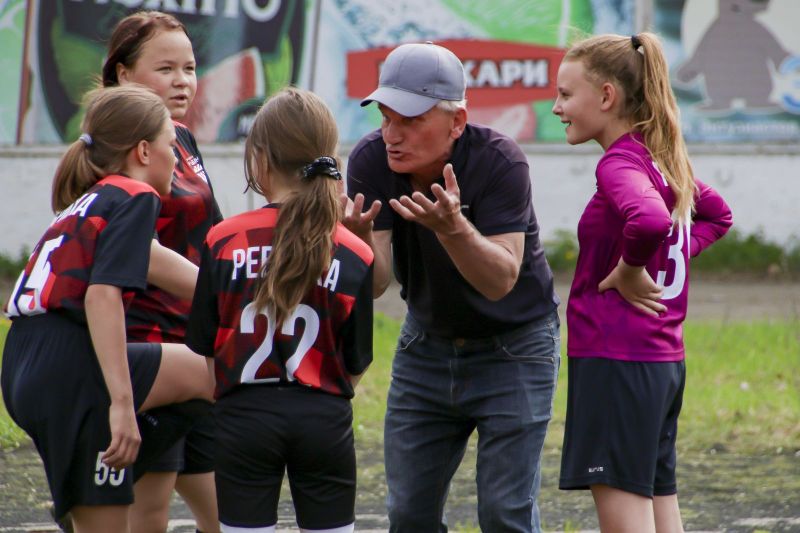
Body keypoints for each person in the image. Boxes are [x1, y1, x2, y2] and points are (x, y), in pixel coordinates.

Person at [345, 42, 561, 533]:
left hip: (516, 347)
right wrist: (358, 244)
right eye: (386, 117)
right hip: (428, 344)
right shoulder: (371, 160)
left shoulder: (500, 161)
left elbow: (501, 280)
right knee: (408, 515)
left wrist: (453, 229)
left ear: (457, 121)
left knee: (504, 514)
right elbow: (377, 285)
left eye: (410, 120)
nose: (392, 135)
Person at [1, 86, 215, 533]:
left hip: (24, 364)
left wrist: (250, 295)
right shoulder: (136, 195)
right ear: (143, 151)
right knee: (220, 373)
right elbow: (101, 295)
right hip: (69, 366)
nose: (177, 160)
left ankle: (106, 467)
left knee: (211, 374)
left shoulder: (97, 199)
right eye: (170, 146)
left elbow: (169, 269)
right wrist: (121, 403)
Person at [551, 32, 733, 532]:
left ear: (606, 96)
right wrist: (657, 255)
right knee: (660, 511)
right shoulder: (660, 161)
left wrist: (633, 267)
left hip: (618, 363)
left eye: (565, 95)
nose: (557, 108)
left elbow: (650, 220)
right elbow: (718, 217)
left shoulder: (621, 163)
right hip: (660, 365)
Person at [185, 87, 374, 533]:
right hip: (324, 420)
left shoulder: (223, 240)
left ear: (261, 160)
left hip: (243, 418)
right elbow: (357, 361)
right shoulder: (355, 252)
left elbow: (205, 346)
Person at [101, 11, 223, 533]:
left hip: (194, 343)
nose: (182, 81)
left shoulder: (182, 138)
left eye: (189, 68)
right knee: (148, 515)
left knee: (228, 513)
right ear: (124, 74)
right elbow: (135, 252)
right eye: (166, 68)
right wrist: (226, 294)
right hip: (147, 346)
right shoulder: (110, 148)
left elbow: (213, 233)